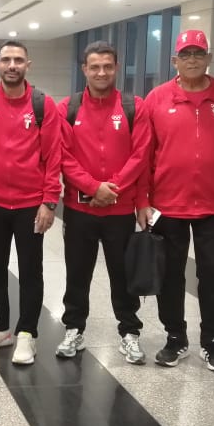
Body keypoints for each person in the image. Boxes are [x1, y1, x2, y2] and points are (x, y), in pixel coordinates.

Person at [138, 30, 214, 371]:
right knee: (170, 275)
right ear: (174, 61)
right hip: (168, 204)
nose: (192, 60)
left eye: (198, 54)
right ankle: (175, 338)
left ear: (209, 58)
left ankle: (212, 341)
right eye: (185, 54)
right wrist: (142, 200)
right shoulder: (157, 98)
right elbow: (144, 154)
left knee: (213, 273)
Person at [0, 41, 61, 366]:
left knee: (31, 271)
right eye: (6, 59)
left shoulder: (42, 105)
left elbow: (53, 157)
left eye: (18, 60)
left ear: (27, 65)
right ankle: (0, 327)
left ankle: (27, 334)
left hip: (30, 206)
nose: (12, 65)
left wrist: (50, 202)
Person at [56, 41, 152, 361]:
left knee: (122, 275)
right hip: (78, 210)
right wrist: (92, 187)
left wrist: (114, 189)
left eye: (107, 66)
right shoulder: (67, 108)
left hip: (120, 210)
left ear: (116, 68)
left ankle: (129, 333)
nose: (101, 72)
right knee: (77, 273)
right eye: (94, 67)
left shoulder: (134, 107)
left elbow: (141, 155)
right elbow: (63, 156)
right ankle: (74, 329)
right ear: (84, 69)